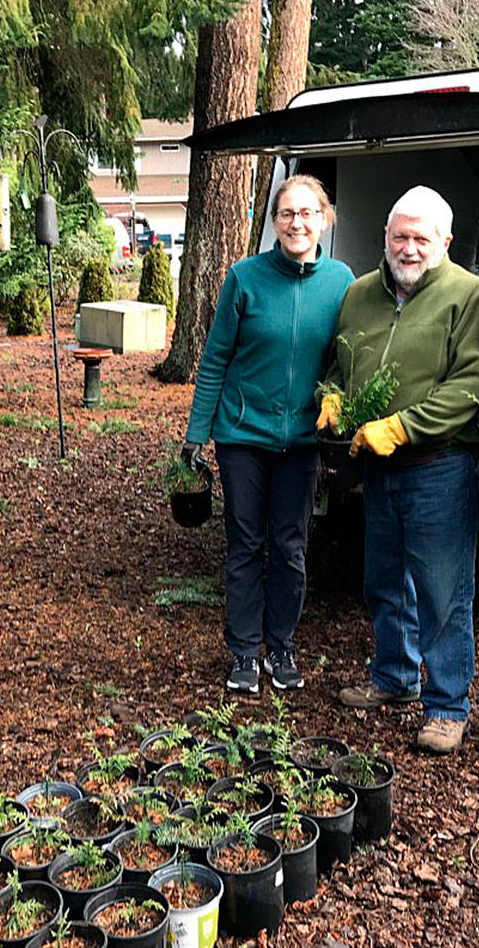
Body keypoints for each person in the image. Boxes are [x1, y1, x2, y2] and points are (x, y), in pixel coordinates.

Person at [322, 185, 479, 755]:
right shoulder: (361, 294)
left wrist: (402, 427)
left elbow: (469, 386)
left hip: (438, 464)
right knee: (383, 579)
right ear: (385, 238)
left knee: (444, 590)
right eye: (401, 237)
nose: (410, 248)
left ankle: (447, 705)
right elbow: (339, 362)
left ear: (445, 241)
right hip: (375, 466)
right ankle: (393, 675)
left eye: (423, 238)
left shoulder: (469, 296)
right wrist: (334, 397)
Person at [182, 174, 354, 694]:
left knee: (290, 547)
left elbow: (346, 361)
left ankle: (281, 645)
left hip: (302, 442)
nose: (297, 222)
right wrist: (197, 431)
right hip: (243, 435)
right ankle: (242, 651)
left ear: (324, 217)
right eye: (287, 214)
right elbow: (214, 359)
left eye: (307, 213)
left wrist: (339, 413)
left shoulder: (342, 281)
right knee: (244, 544)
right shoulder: (245, 277)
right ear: (274, 222)